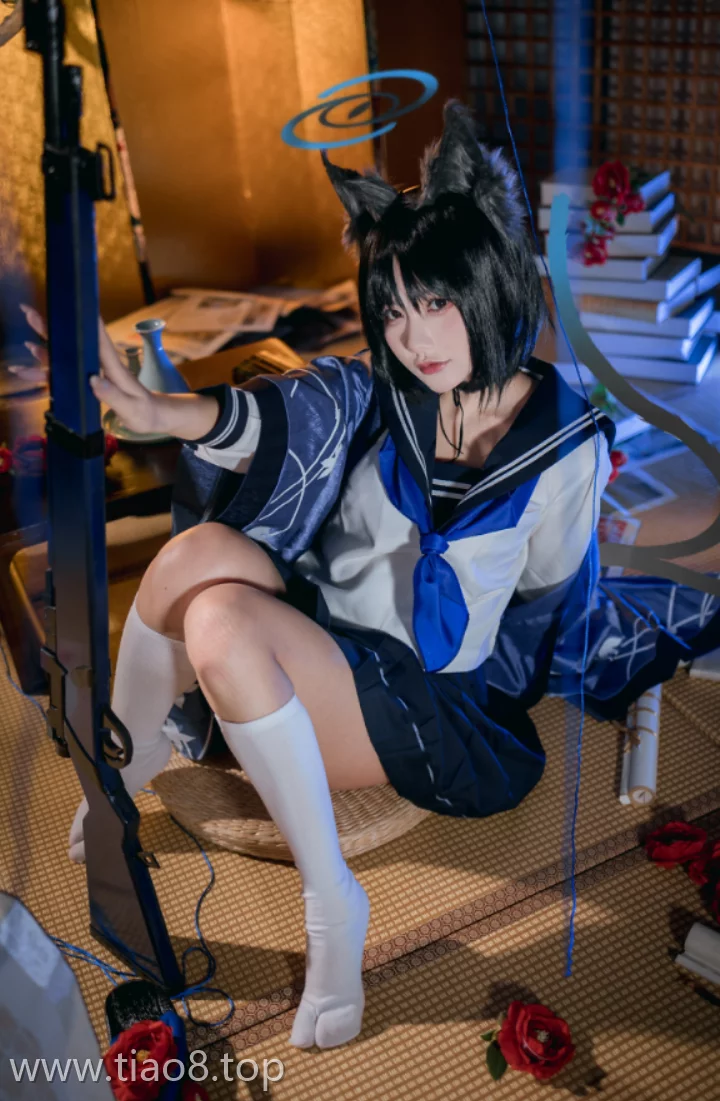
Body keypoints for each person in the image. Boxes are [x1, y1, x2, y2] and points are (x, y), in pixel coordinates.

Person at [23, 102, 720, 1050]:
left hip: (421, 692)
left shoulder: (563, 449)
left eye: (434, 303)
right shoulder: (386, 386)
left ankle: (332, 901)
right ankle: (132, 758)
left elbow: (551, 602)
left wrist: (564, 665)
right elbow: (284, 414)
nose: (413, 337)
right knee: (193, 558)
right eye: (392, 310)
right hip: (322, 628)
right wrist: (158, 410)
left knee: (219, 620)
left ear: (488, 281)